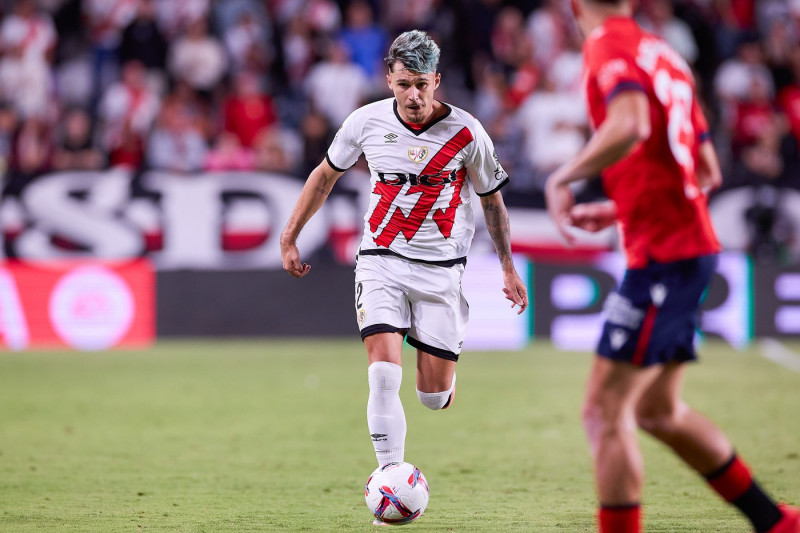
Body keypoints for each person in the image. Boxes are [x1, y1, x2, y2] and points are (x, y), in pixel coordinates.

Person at [543, 1, 800, 533]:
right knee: (658, 411)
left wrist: (562, 176)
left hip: (665, 257)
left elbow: (631, 124)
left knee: (603, 413)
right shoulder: (664, 53)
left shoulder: (606, 43)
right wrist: (622, 207)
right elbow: (705, 170)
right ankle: (775, 522)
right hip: (686, 248)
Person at [281, 30, 528, 524]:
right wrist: (290, 236)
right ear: (388, 80)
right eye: (402, 84)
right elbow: (324, 175)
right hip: (381, 261)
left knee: (432, 399)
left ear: (436, 81)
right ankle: (390, 480)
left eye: (421, 84)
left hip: (441, 273)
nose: (412, 96)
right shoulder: (365, 122)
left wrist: (506, 264)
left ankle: (438, 377)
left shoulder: (467, 133)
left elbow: (492, 201)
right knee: (381, 374)